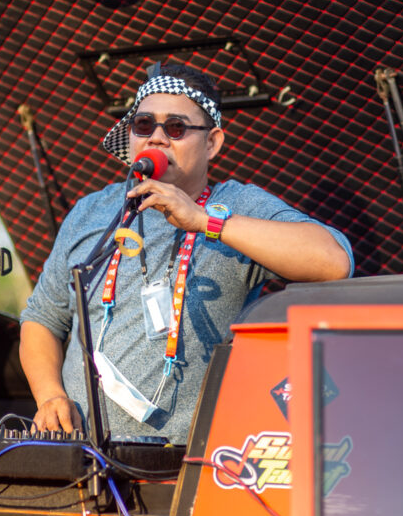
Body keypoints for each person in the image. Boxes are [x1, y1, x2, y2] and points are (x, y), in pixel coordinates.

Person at [19, 64, 353, 443]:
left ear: (212, 143)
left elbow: (333, 261)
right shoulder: (90, 211)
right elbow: (42, 320)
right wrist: (50, 396)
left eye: (175, 128)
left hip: (184, 461)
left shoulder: (236, 204)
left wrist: (204, 220)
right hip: (81, 452)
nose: (157, 137)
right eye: (144, 125)